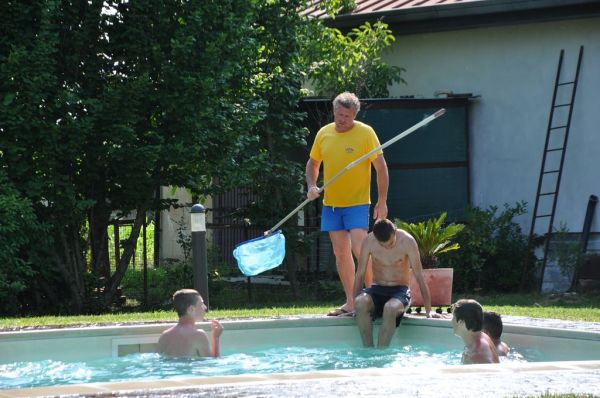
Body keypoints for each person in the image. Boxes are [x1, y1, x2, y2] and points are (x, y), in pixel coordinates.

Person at [306, 92, 389, 317]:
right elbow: (313, 163)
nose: (341, 119)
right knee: (340, 253)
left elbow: (381, 167)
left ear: (354, 114)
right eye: (338, 114)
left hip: (358, 202)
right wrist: (312, 185)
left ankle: (372, 297)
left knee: (360, 247)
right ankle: (351, 302)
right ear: (334, 111)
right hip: (331, 205)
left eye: (347, 115)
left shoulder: (366, 133)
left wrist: (382, 201)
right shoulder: (324, 133)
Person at [353, 219, 438, 348]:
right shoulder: (369, 241)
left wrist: (429, 310)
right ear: (376, 238)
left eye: (391, 243)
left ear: (395, 232)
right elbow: (360, 274)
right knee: (360, 302)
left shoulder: (407, 241)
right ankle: (368, 350)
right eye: (383, 245)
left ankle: (381, 352)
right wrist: (355, 307)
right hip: (377, 288)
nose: (388, 247)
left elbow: (419, 276)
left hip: (399, 291)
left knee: (390, 308)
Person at [158, 289, 223, 357]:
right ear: (190, 310)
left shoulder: (164, 335)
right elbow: (212, 363)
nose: (205, 307)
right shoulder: (199, 335)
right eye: (201, 304)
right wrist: (216, 337)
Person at [451, 299, 500, 364]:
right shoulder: (483, 337)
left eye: (454, 317)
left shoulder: (473, 357)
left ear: (461, 322)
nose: (451, 321)